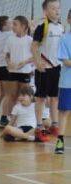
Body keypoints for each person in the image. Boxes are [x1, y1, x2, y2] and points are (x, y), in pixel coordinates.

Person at [32, 0, 64, 140]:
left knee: (55, 97)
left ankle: (54, 124)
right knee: (40, 98)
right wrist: (37, 62)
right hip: (44, 69)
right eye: (53, 8)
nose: (56, 11)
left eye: (58, 8)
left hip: (57, 68)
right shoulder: (42, 26)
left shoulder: (61, 28)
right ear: (46, 11)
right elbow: (33, 46)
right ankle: (39, 127)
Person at [4, 15, 34, 123]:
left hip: (25, 71)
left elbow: (35, 55)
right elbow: (7, 54)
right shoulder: (10, 39)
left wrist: (24, 62)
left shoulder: (30, 40)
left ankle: (24, 119)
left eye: (15, 24)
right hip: (13, 72)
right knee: (12, 96)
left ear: (23, 26)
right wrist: (8, 62)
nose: (13, 26)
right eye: (13, 24)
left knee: (25, 95)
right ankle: (11, 118)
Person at [55, 8, 71, 154]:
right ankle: (60, 140)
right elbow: (66, 61)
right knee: (64, 111)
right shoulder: (64, 39)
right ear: (69, 20)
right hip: (67, 82)